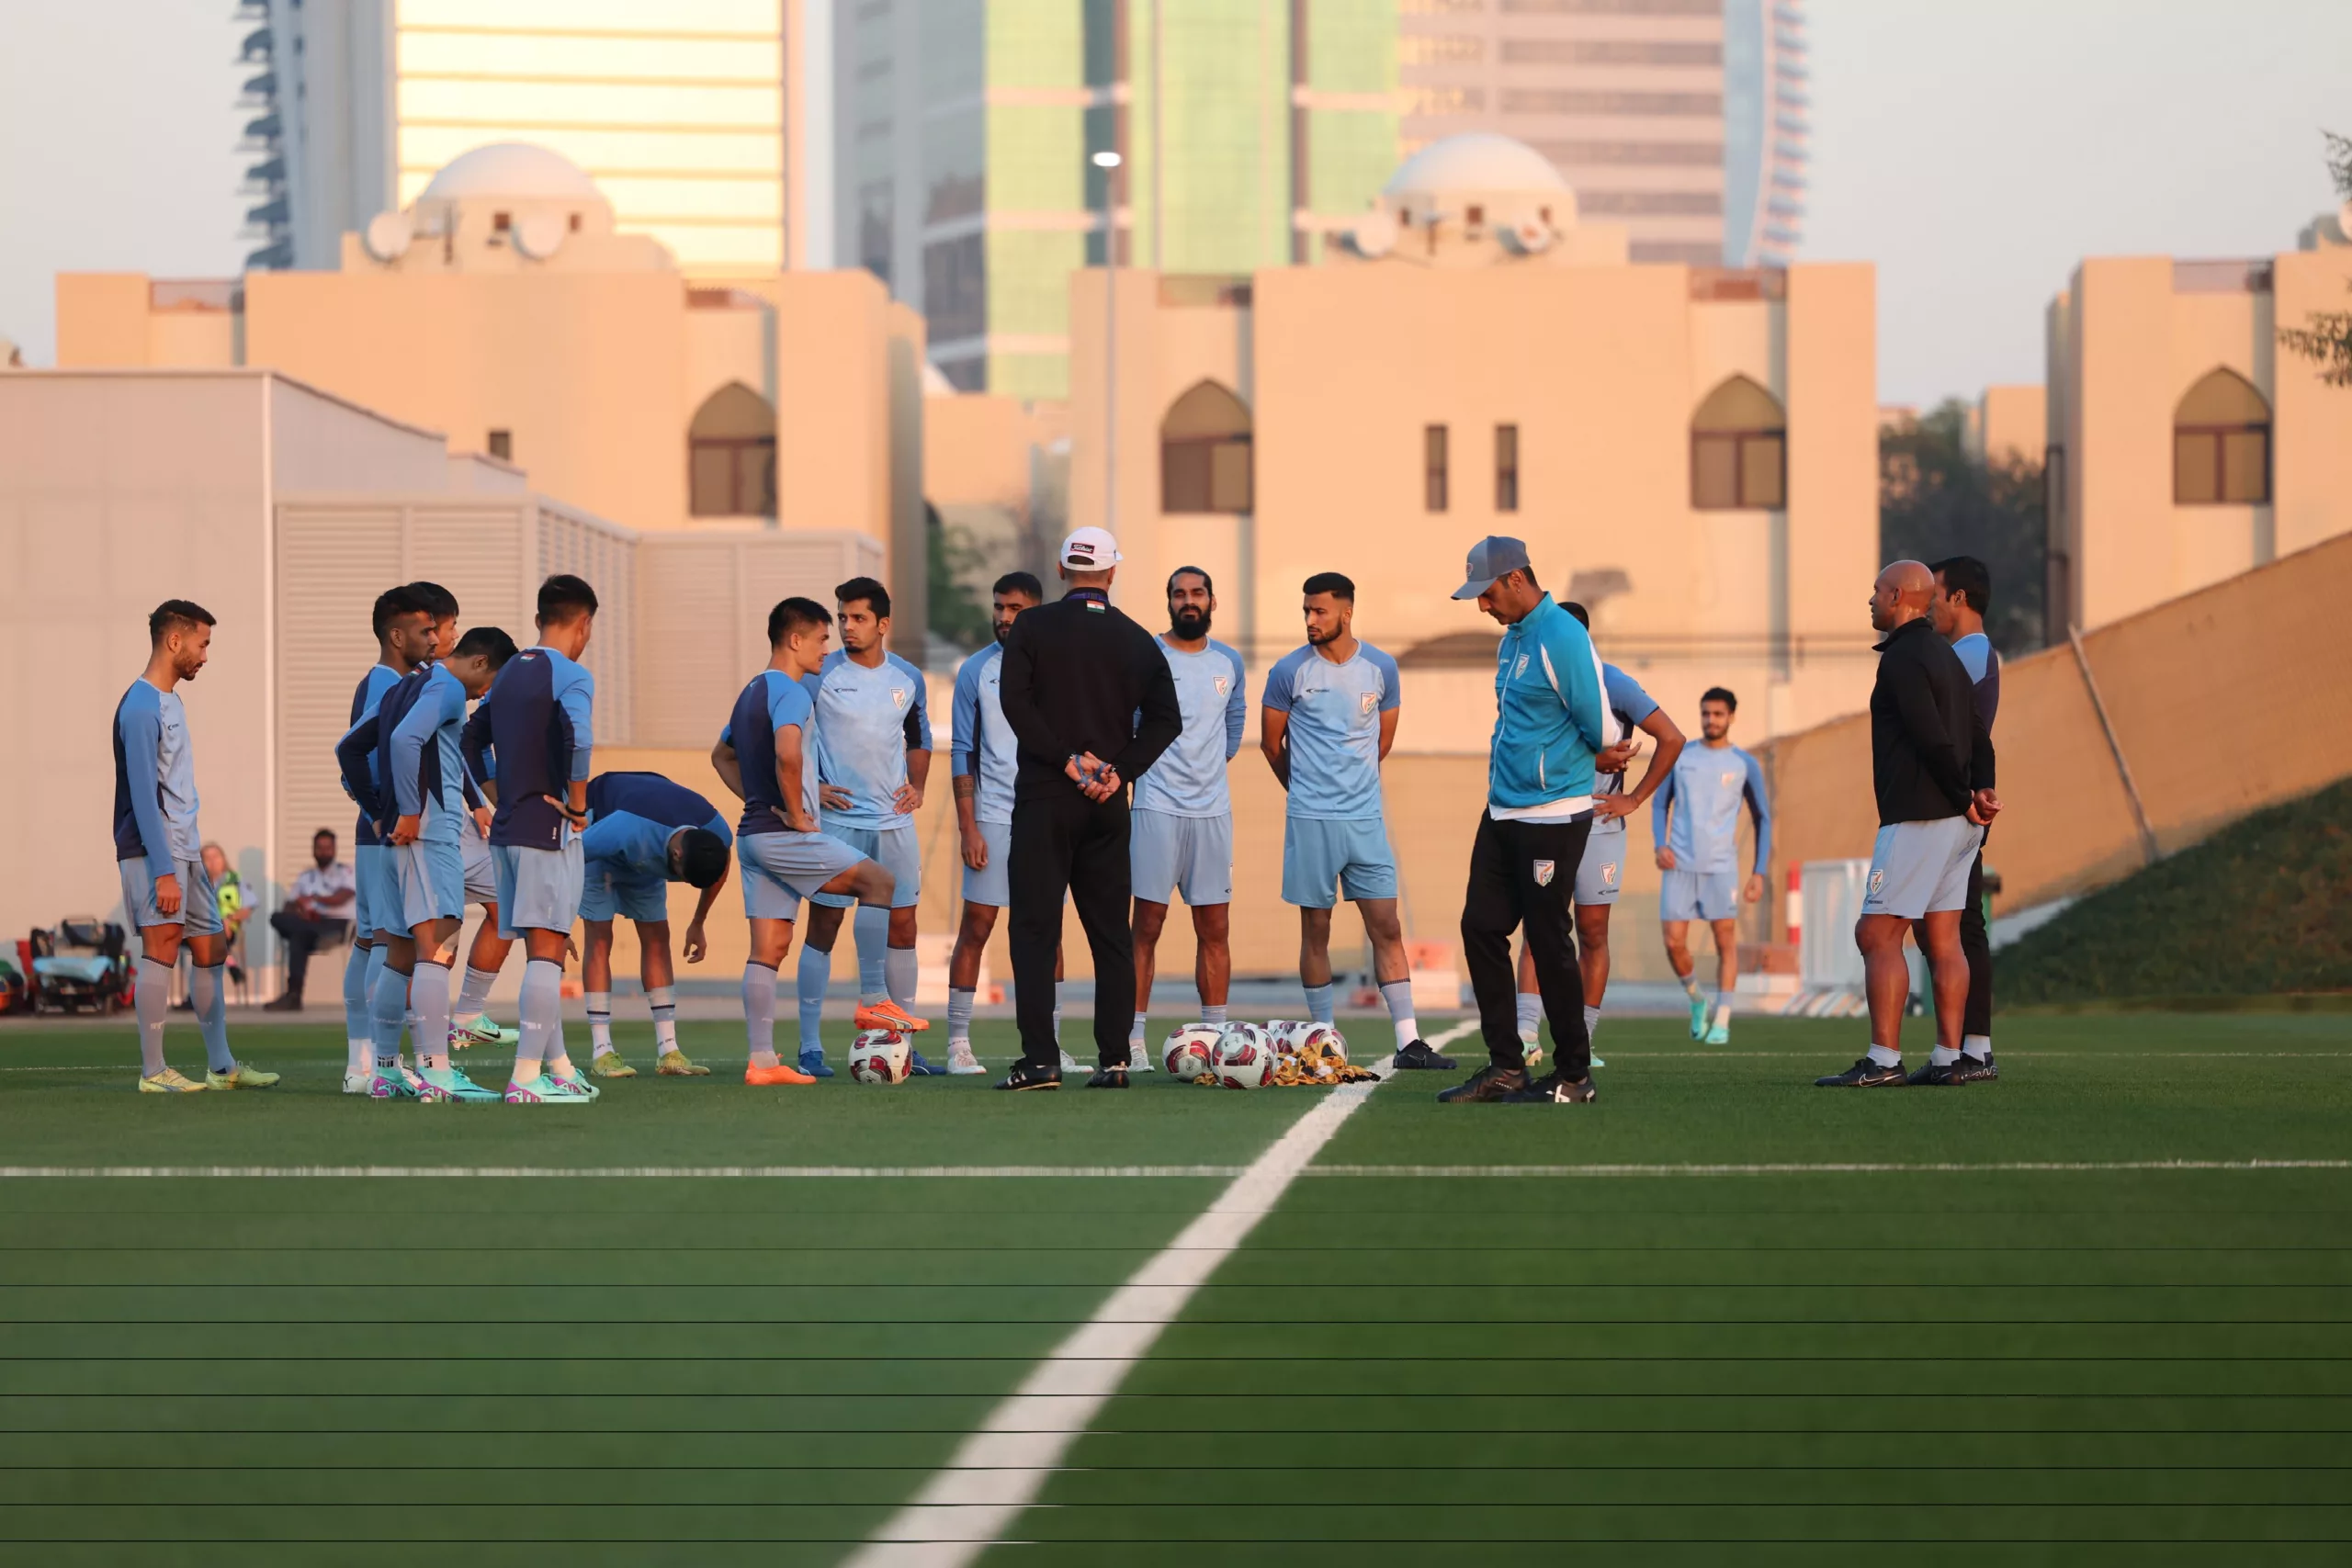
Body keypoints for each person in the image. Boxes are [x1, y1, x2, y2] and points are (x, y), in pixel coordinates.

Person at [993, 526, 1182, 1090]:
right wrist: (1118, 769)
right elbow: (1168, 720)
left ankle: (1041, 1061)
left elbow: (1014, 702)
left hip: (1047, 795)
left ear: (1061, 570)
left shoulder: (1032, 625)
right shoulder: (1136, 639)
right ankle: (1115, 1060)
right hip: (1107, 801)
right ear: (1112, 573)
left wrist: (1065, 759)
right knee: (1111, 935)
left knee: (1034, 930)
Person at [1815, 560, 1999, 1088]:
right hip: (1958, 821)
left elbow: (1930, 737)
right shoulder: (1945, 655)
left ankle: (1884, 1059)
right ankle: (1948, 1058)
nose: (1870, 600)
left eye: (1876, 591)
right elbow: (1978, 736)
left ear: (1898, 597)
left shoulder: (1903, 659)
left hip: (1921, 815)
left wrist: (1961, 795)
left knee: (1876, 932)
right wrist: (1981, 791)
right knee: (1943, 939)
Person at [1440, 538, 1608, 1105]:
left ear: (1516, 580)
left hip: (1552, 813)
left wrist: (1591, 757)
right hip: (1503, 808)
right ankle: (1506, 1068)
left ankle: (1574, 1075)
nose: (1482, 608)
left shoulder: (1562, 634)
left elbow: (1600, 724)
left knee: (1546, 937)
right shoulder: (1512, 641)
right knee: (1481, 927)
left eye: (1486, 595)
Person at [713, 597, 901, 1087]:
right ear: (795, 640)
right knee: (881, 882)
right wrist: (798, 815)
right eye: (821, 639)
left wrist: (759, 799)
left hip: (752, 837)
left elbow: (721, 756)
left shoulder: (751, 690)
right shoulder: (793, 692)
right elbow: (788, 755)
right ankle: (874, 999)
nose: (827, 648)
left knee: (769, 948)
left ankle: (762, 1062)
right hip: (782, 835)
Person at [1261, 572, 1445, 1072]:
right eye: (1306, 611)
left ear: (1346, 612)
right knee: (1315, 930)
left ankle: (1409, 1042)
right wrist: (1303, 791)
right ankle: (1324, 1042)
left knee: (1387, 926)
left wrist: (1352, 787)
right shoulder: (1287, 671)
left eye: (1319, 611)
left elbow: (1382, 743)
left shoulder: (1382, 667)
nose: (1310, 620)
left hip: (1365, 819)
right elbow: (1270, 745)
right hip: (1312, 819)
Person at [1510, 600, 1684, 1066]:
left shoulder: (1613, 682)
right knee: (1541, 926)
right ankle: (1526, 1035)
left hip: (1601, 825)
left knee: (1592, 931)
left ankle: (1583, 1040)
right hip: (1547, 819)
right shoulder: (1532, 680)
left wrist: (1635, 797)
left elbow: (1673, 738)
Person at [112, 600, 276, 1092]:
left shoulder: (172, 700)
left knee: (211, 946)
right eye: (203, 644)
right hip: (153, 852)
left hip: (187, 850)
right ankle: (152, 1071)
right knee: (161, 946)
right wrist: (163, 869)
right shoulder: (140, 705)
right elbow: (142, 794)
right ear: (174, 640)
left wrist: (188, 856)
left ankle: (222, 1067)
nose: (205, 656)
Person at [462, 573, 601, 1103]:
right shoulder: (571, 675)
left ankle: (559, 1067)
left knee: (545, 949)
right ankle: (524, 1080)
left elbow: (471, 742)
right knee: (547, 952)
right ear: (583, 623)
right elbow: (580, 740)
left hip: (508, 831)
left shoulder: (509, 672)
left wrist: (502, 796)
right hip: (549, 828)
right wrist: (579, 805)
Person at [792, 576, 933, 1077]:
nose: (847, 627)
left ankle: (902, 1044)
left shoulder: (908, 677)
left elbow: (920, 737)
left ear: (883, 624)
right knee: (825, 925)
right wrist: (816, 788)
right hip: (839, 822)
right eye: (842, 618)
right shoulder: (819, 672)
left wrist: (916, 785)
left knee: (904, 923)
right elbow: (789, 733)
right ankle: (809, 1045)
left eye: (858, 618)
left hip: (894, 822)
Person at [373, 626, 516, 1101]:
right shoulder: (449, 687)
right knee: (438, 942)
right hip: (432, 833)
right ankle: (436, 1072)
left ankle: (385, 1070)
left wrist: (382, 811)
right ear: (479, 663)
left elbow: (352, 748)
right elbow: (402, 740)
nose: (487, 693)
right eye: (491, 681)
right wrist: (411, 811)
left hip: (409, 832)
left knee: (400, 951)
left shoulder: (408, 682)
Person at [946, 572, 1075, 1076]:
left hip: (1046, 817)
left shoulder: (1062, 668)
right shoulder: (975, 670)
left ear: (1037, 612)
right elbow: (962, 750)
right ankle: (958, 1042)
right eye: (999, 607)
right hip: (994, 816)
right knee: (977, 924)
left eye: (1016, 609)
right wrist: (968, 827)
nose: (1003, 617)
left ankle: (1054, 1042)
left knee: (1050, 931)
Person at [1128, 566, 1247, 1064]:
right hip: (1156, 807)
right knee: (1146, 927)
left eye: (1198, 593)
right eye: (1179, 594)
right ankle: (1131, 1039)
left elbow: (1235, 720)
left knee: (1214, 928)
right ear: (1169, 602)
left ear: (1213, 602)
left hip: (1212, 813)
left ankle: (1216, 1039)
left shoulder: (1230, 663)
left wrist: (1211, 765)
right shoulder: (1147, 656)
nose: (1189, 601)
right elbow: (1130, 722)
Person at [407, 579, 521, 1056]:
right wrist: (400, 810)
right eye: (444, 628)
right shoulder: (432, 685)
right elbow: (391, 744)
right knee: (423, 943)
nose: (444, 639)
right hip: (434, 832)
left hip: (454, 825)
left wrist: (477, 803)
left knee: (507, 907)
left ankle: (464, 1019)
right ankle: (400, 1059)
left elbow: (448, 754)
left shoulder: (437, 685)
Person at [339, 585, 434, 1093]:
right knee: (386, 942)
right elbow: (363, 758)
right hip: (386, 831)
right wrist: (382, 815)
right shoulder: (385, 684)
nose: (435, 639)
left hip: (377, 830)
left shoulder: (387, 681)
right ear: (397, 636)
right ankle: (376, 1064)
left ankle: (362, 1065)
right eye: (427, 630)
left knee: (370, 940)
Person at [578, 770, 732, 1078]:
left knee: (658, 937)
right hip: (599, 832)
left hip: (647, 850)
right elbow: (566, 858)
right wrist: (556, 918)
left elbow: (722, 865)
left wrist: (698, 922)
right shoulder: (623, 828)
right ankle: (602, 1052)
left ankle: (669, 1051)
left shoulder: (717, 831)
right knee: (599, 937)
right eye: (683, 878)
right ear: (676, 855)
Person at [1650, 687, 1771, 1043]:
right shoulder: (1681, 757)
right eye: (1706, 713)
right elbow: (1660, 804)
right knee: (1673, 943)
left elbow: (1763, 817)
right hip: (1679, 865)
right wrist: (1660, 844)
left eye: (1718, 714)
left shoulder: (1744, 764)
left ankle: (1723, 1019)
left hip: (1722, 868)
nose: (1711, 720)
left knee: (1725, 942)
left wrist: (1759, 871)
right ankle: (1697, 999)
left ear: (1731, 717)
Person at [1930, 554, 2002, 1084]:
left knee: (1962, 927)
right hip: (1956, 803)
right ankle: (1963, 1049)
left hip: (1954, 808)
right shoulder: (1962, 653)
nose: (1930, 603)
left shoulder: (1969, 654)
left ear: (1958, 597)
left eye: (1935, 593)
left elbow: (1962, 734)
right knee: (1953, 926)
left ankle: (1973, 1050)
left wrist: (1967, 794)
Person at [266, 829, 355, 1010]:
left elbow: (342, 897)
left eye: (327, 847)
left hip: (336, 924)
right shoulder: (305, 877)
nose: (323, 851)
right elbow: (289, 905)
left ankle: (293, 995)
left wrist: (313, 899)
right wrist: (300, 909)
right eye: (319, 848)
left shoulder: (346, 872)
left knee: (298, 936)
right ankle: (293, 997)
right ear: (313, 850)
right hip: (309, 923)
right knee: (278, 917)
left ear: (334, 849)